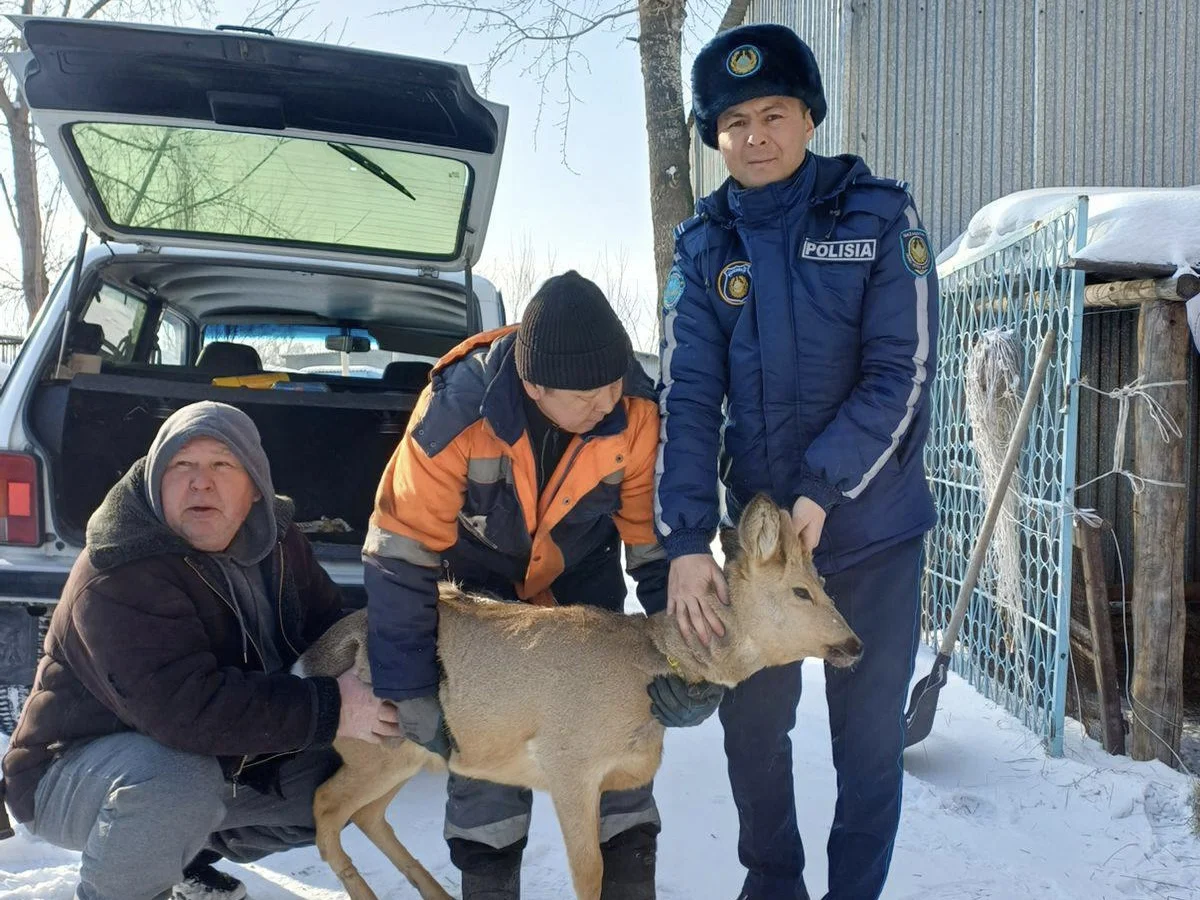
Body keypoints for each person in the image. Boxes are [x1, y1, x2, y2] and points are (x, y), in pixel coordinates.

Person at [654, 23, 940, 900]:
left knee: (866, 745)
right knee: (752, 734)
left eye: (773, 113)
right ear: (714, 137)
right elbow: (688, 398)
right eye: (733, 122)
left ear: (809, 117)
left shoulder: (879, 216)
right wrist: (685, 541)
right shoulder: (704, 249)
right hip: (765, 553)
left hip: (872, 536)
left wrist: (823, 488)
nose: (755, 136)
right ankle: (771, 884)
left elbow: (906, 369)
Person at [364, 270, 723, 900]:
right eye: (587, 394)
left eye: (615, 381)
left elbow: (656, 554)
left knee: (623, 735)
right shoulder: (455, 411)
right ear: (532, 386)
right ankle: (489, 882)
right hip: (481, 592)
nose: (607, 401)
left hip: (582, 590)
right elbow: (400, 551)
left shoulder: (635, 409)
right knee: (484, 762)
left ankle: (629, 882)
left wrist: (689, 662)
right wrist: (408, 683)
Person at [0, 401, 392, 900]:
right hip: (69, 772)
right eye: (181, 466)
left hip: (194, 752)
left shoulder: (277, 540)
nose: (201, 482)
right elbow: (184, 710)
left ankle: (182, 858)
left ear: (254, 488)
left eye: (222, 465)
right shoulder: (120, 569)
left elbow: (326, 627)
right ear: (154, 482)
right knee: (177, 780)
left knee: (337, 783)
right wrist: (334, 707)